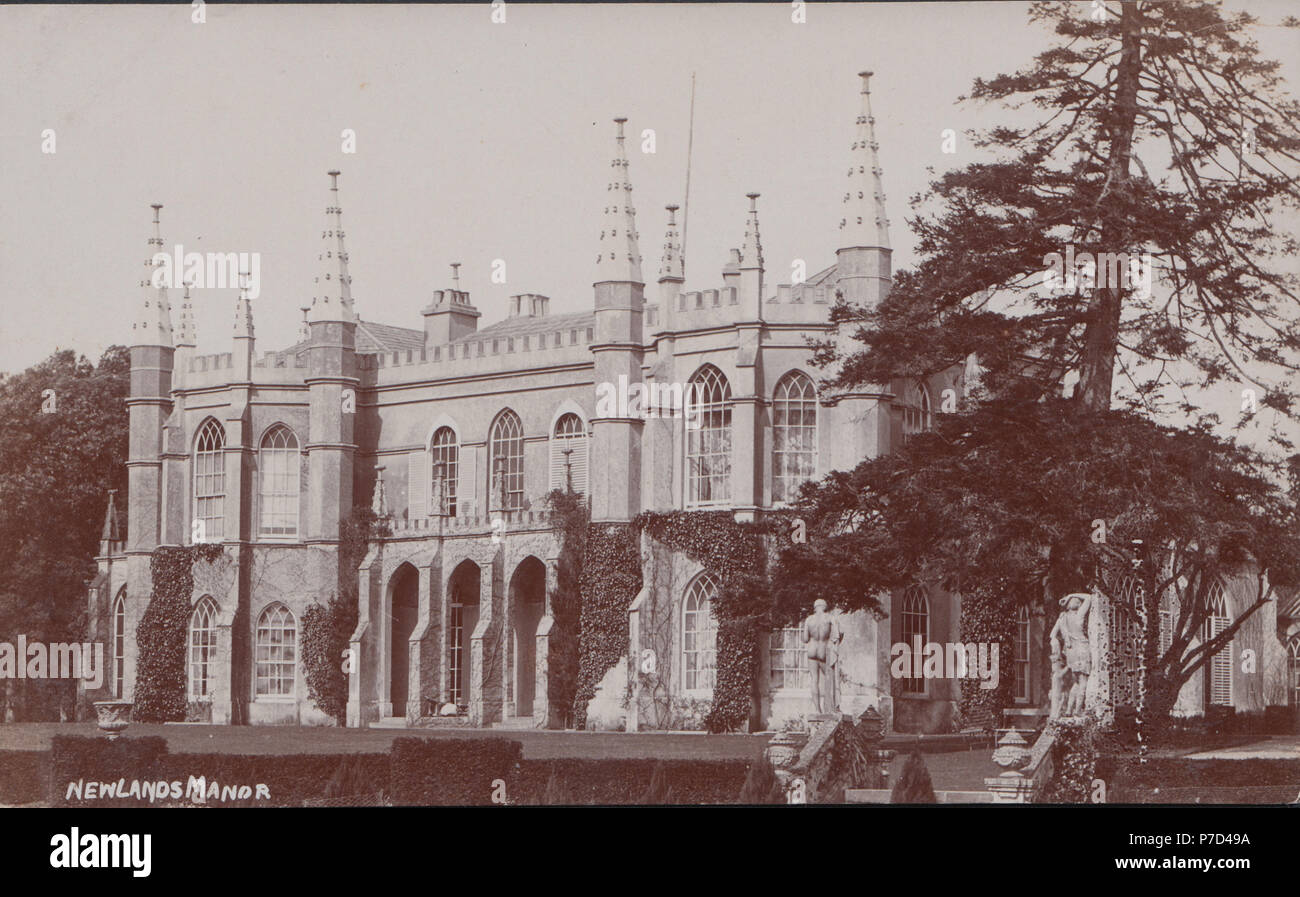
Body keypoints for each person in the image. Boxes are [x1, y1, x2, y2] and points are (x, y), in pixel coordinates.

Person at [802, 599, 842, 714]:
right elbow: (839, 634)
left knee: (814, 680)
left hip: (812, 651)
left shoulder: (809, 619)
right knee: (830, 679)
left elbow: (805, 639)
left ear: (815, 607)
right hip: (823, 651)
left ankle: (817, 710)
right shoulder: (830, 618)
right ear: (825, 607)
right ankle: (831, 708)